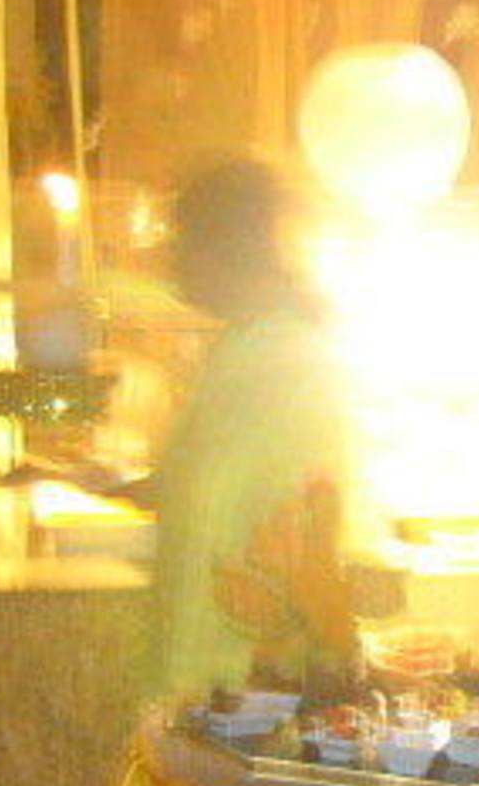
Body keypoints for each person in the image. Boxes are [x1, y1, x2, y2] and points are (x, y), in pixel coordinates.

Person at [150, 156, 358, 702]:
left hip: (255, 700)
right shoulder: (240, 351)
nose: (170, 258)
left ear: (223, 248)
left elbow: (315, 535)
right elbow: (197, 485)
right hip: (205, 688)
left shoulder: (291, 363)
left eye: (180, 240)